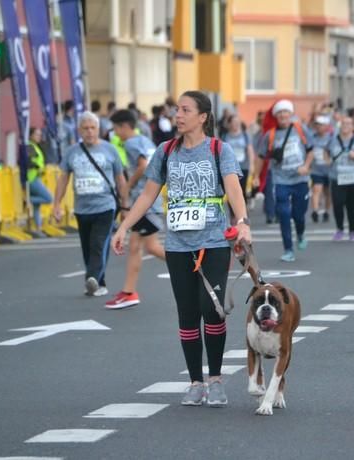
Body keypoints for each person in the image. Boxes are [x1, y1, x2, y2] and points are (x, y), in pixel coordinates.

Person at [112, 90, 251, 407]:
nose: (178, 115)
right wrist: (123, 226)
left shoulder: (219, 149)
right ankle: (195, 382)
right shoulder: (166, 150)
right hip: (177, 245)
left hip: (214, 242)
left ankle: (215, 379)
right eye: (177, 109)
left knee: (211, 309)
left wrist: (242, 221)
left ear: (202, 117)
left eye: (185, 110)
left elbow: (233, 189)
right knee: (187, 314)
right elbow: (147, 195)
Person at [52, 111, 128, 296]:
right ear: (79, 130)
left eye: (93, 128)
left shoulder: (110, 150)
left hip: (105, 206)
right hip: (82, 208)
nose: (89, 132)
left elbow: (120, 179)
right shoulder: (72, 152)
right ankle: (98, 283)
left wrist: (125, 206)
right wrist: (57, 204)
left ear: (98, 129)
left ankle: (91, 277)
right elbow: (63, 179)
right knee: (87, 247)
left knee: (98, 244)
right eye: (85, 128)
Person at [104, 109, 166, 309]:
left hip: (143, 201)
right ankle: (129, 291)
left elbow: (142, 165)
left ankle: (193, 267)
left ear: (124, 126)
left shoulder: (131, 143)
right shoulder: (146, 140)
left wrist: (128, 185)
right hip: (149, 200)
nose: (115, 133)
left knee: (151, 247)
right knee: (135, 247)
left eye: (115, 128)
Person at [256, 99, 314, 262]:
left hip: (300, 179)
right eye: (279, 113)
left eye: (285, 112)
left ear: (290, 114)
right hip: (280, 179)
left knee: (299, 213)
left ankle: (301, 234)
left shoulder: (300, 129)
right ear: (276, 116)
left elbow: (311, 151)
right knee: (283, 213)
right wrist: (255, 178)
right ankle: (288, 249)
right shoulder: (270, 135)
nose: (283, 115)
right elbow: (261, 157)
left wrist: (306, 166)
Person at [326, 116, 354, 241]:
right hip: (337, 177)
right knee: (337, 204)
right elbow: (326, 151)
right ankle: (339, 229)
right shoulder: (333, 139)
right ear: (340, 125)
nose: (346, 126)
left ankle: (352, 231)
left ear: (352, 126)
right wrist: (327, 161)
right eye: (344, 123)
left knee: (352, 206)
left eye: (349, 123)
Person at [222, 114, 255, 203]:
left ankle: (242, 213)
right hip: (230, 168)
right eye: (233, 122)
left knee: (242, 190)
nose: (236, 124)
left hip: (243, 167)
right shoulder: (225, 136)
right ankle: (233, 214)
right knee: (230, 191)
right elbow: (222, 152)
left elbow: (250, 150)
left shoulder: (245, 135)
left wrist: (252, 165)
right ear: (230, 124)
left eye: (237, 122)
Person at [27, 127, 53, 231]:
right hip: (32, 178)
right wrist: (37, 167)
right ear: (30, 135)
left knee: (37, 206)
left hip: (36, 177)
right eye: (37, 134)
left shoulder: (34, 146)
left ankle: (38, 227)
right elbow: (30, 161)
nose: (39, 137)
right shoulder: (29, 146)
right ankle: (27, 201)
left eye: (40, 134)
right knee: (49, 198)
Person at [310, 115, 332, 223]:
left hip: (329, 170)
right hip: (316, 169)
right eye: (317, 125)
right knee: (316, 189)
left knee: (328, 192)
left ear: (326, 126)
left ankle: (326, 211)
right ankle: (315, 211)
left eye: (321, 125)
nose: (318, 127)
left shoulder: (331, 138)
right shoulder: (312, 137)